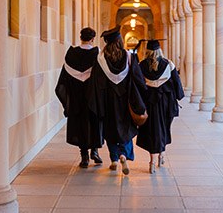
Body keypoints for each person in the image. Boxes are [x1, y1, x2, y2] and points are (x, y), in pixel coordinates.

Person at [88, 25, 147, 175]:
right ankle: (123, 155)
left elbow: (95, 82)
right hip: (125, 102)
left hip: (107, 102)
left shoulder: (101, 59)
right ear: (120, 41)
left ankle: (114, 158)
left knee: (110, 129)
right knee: (125, 129)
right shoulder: (129, 57)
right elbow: (139, 80)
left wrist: (98, 102)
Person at [55, 27, 103, 168]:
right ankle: (95, 151)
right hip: (92, 97)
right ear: (93, 39)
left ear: (80, 37)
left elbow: (63, 81)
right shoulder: (97, 54)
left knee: (80, 124)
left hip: (77, 97)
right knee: (94, 122)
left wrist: (67, 101)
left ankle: (84, 156)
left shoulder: (71, 54)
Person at [136, 39, 185, 174]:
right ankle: (161, 155)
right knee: (163, 128)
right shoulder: (168, 65)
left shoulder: (141, 66)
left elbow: (138, 86)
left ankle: (152, 161)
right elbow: (177, 84)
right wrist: (179, 96)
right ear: (159, 51)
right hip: (165, 104)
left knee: (151, 131)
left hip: (149, 103)